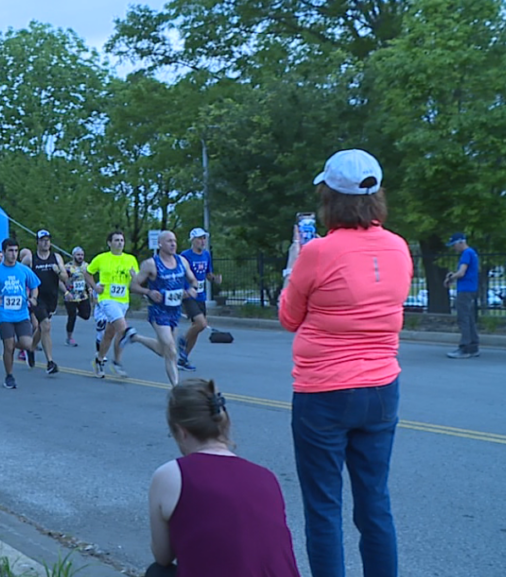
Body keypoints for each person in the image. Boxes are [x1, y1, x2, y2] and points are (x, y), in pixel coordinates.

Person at [279, 149, 411, 577]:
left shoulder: (318, 253)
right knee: (375, 503)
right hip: (381, 389)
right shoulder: (398, 247)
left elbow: (288, 318)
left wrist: (294, 265)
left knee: (323, 509)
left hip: (324, 393)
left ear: (329, 197)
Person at [147, 379, 301, 577]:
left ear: (181, 431)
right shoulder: (266, 477)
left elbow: (163, 556)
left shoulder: (171, 475)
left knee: (158, 572)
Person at [126, 231, 199, 387]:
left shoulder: (182, 261)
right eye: (169, 241)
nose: (173, 244)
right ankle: (176, 388)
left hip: (175, 311)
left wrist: (192, 290)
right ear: (160, 244)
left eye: (174, 241)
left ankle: (135, 337)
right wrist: (149, 292)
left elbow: (194, 281)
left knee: (163, 350)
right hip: (158, 312)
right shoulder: (151, 264)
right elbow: (133, 285)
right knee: (171, 350)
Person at [0, 238, 41, 389]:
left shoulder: (23, 270)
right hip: (4, 314)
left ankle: (28, 351)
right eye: (10, 251)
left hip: (21, 313)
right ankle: (9, 376)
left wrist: (33, 298)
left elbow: (34, 285)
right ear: (4, 252)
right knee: (8, 346)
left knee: (28, 344)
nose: (13, 254)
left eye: (16, 251)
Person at [86, 231, 139, 378]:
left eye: (122, 240)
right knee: (122, 328)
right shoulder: (102, 258)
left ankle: (98, 359)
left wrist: (135, 278)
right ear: (109, 243)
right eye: (116, 240)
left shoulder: (130, 259)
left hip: (123, 301)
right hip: (107, 299)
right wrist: (95, 287)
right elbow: (87, 272)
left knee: (110, 333)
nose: (120, 243)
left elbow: (136, 280)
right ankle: (117, 362)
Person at [22, 230, 66, 375]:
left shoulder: (56, 257)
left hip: (51, 298)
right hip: (37, 298)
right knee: (46, 325)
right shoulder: (31, 259)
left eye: (48, 240)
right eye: (42, 240)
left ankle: (30, 348)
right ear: (38, 242)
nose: (46, 242)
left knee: (42, 328)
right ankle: (50, 362)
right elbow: (19, 274)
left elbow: (65, 277)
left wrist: (59, 271)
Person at [177, 229, 222, 372]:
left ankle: (183, 358)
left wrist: (215, 279)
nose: (202, 241)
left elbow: (208, 274)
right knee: (201, 324)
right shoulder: (185, 256)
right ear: (192, 240)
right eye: (199, 238)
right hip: (189, 294)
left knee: (197, 328)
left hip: (201, 295)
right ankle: (182, 340)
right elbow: (178, 273)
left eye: (204, 238)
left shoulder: (206, 255)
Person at [445, 232, 480, 359]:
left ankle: (465, 348)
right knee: (469, 318)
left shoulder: (466, 253)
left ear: (461, 242)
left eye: (454, 244)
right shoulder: (472, 253)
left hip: (465, 290)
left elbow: (461, 273)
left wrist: (451, 278)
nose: (454, 248)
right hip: (472, 289)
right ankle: (473, 346)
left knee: (463, 318)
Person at [62, 247, 92, 347]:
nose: (80, 257)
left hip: (83, 295)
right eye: (78, 255)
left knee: (86, 315)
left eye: (82, 255)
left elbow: (88, 278)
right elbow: (60, 281)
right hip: (71, 296)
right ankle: (69, 338)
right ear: (73, 256)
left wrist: (90, 288)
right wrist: (66, 292)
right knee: (72, 317)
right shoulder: (67, 267)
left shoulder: (86, 266)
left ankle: (76, 313)